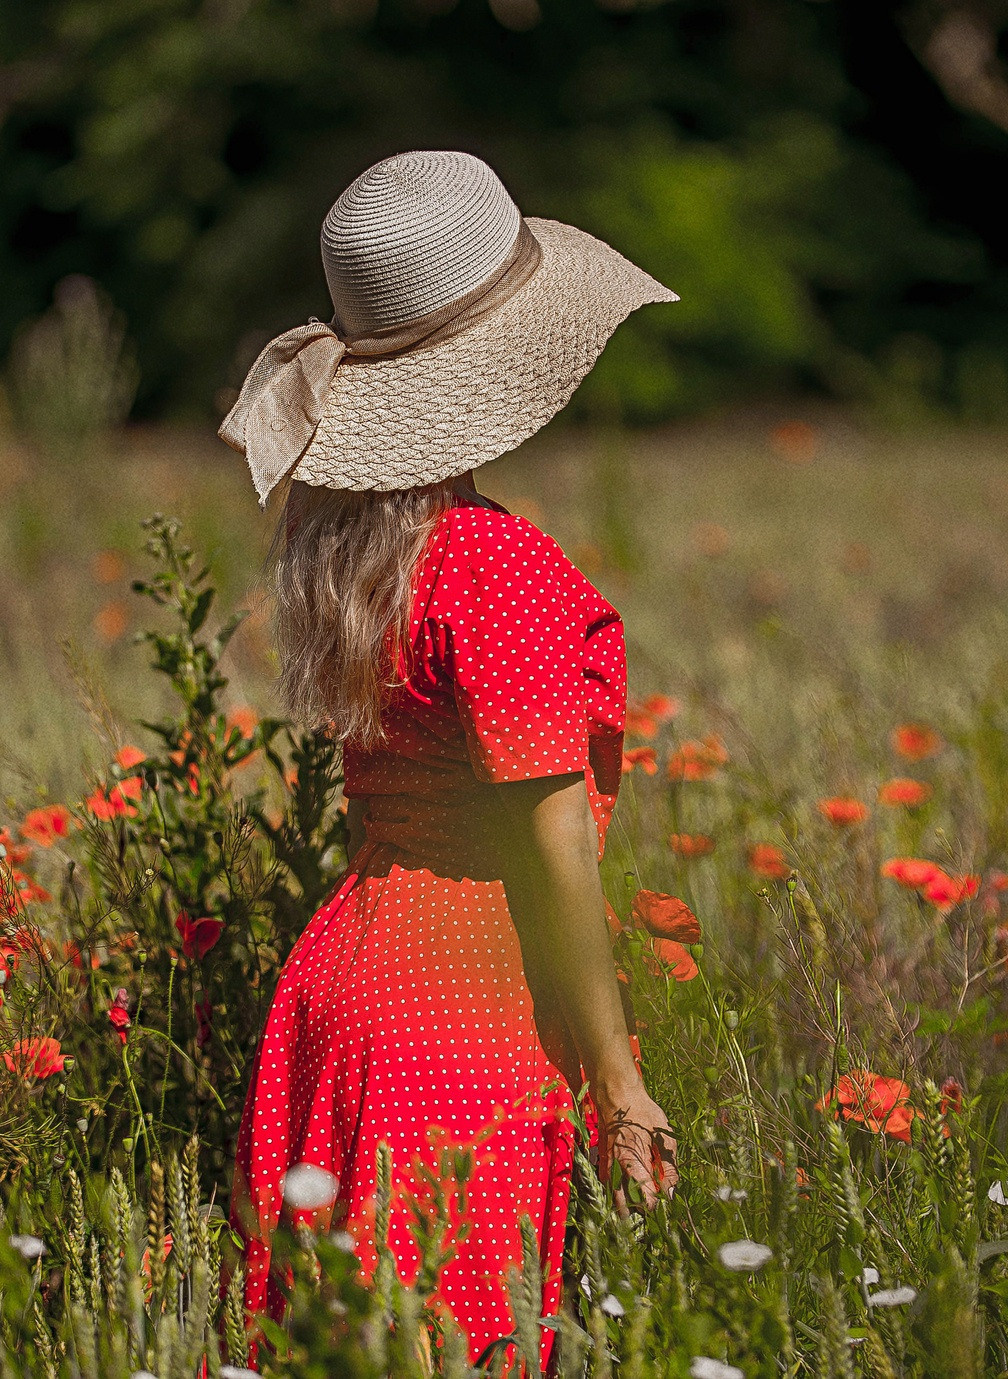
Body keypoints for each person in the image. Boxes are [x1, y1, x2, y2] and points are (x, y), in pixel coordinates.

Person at [222, 149, 680, 1357]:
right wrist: (618, 1080)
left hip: (344, 976)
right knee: (456, 1336)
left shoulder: (355, 560)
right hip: (461, 1000)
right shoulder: (495, 565)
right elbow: (555, 843)